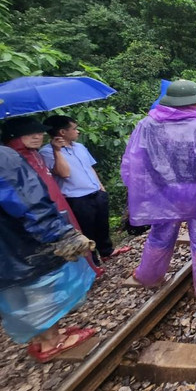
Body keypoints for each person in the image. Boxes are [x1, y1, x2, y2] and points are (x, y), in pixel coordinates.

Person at [122, 80, 196, 298]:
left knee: (160, 234)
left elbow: (133, 161)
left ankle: (149, 276)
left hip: (163, 193)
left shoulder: (146, 125)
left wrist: (138, 188)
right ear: (195, 104)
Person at [0, 144, 97, 362]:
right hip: (18, 243)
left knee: (15, 294)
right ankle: (51, 342)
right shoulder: (4, 158)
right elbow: (27, 201)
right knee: (39, 288)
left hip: (4, 252)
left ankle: (39, 338)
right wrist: (60, 233)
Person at [2, 117, 103, 275]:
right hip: (38, 219)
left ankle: (89, 271)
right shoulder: (11, 161)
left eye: (39, 132)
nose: (37, 136)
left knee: (76, 240)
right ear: (14, 135)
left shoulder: (35, 155)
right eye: (29, 133)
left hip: (57, 206)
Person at [40, 115, 113, 260]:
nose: (77, 131)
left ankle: (107, 253)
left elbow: (90, 167)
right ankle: (93, 261)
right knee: (86, 231)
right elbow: (64, 173)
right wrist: (57, 151)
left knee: (102, 225)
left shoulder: (80, 147)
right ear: (62, 132)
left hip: (95, 192)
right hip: (77, 199)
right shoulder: (46, 152)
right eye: (74, 129)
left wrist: (101, 187)